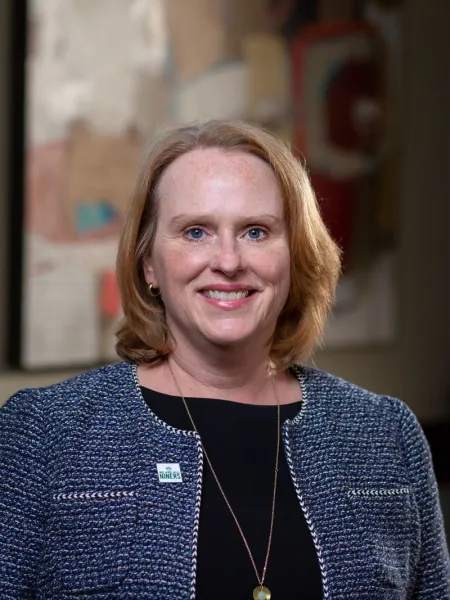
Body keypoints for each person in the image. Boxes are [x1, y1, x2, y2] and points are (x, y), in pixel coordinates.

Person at [0, 120, 448, 600]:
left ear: (293, 255)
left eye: (256, 232)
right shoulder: (44, 434)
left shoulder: (386, 436)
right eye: (196, 232)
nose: (229, 261)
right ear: (148, 261)